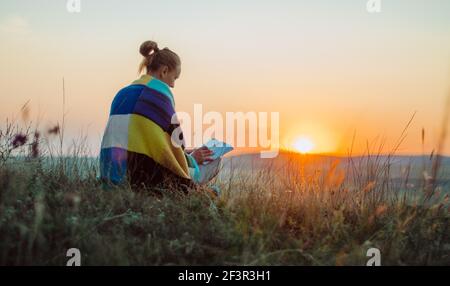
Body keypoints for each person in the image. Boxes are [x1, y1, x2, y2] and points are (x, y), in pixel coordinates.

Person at [99, 40, 221, 194]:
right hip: (141, 183)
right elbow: (175, 146)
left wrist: (187, 153)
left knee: (193, 156)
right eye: (174, 78)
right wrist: (193, 158)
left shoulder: (122, 94)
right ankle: (197, 192)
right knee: (215, 161)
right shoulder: (158, 99)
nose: (173, 85)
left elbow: (151, 142)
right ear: (164, 71)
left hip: (112, 179)